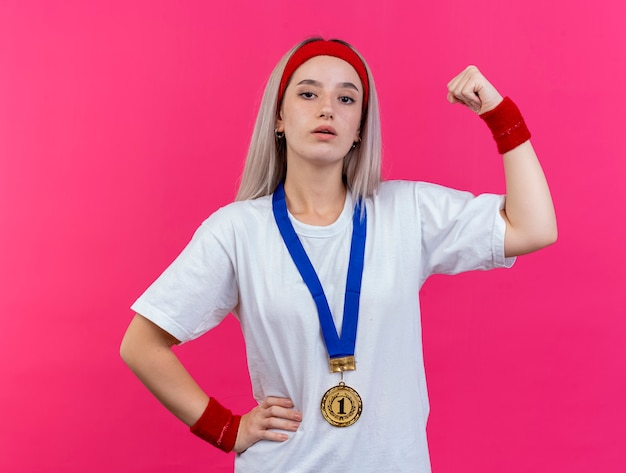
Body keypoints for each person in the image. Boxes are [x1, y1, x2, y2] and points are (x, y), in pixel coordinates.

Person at [120, 38, 557, 472]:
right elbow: (141, 344)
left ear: (360, 127)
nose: (327, 108)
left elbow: (534, 227)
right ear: (278, 117)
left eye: (346, 98)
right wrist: (225, 428)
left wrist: (500, 115)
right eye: (308, 93)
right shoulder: (237, 230)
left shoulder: (408, 212)